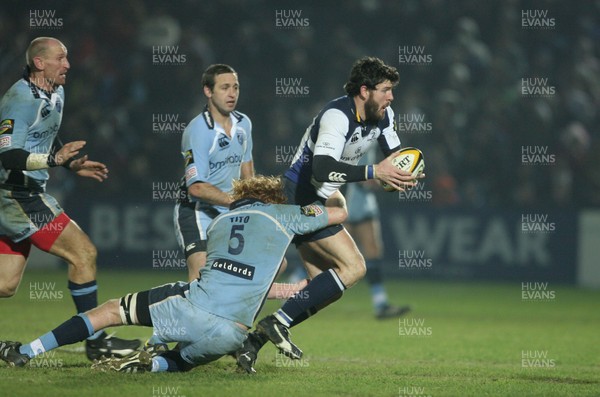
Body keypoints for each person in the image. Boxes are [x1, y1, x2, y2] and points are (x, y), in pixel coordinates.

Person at [0, 175, 346, 373]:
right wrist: (333, 184)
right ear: (270, 200)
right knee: (181, 361)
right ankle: (150, 368)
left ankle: (26, 351)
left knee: (108, 311)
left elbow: (225, 275)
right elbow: (339, 213)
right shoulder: (282, 214)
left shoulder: (219, 224)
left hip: (192, 311)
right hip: (232, 337)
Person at [235, 56, 424, 373]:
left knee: (322, 286)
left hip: (320, 196)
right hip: (300, 196)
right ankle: (274, 322)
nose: (391, 97)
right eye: (386, 90)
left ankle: (252, 344)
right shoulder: (337, 116)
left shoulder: (384, 115)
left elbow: (396, 156)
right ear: (365, 90)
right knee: (353, 267)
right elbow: (322, 168)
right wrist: (374, 170)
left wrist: (409, 172)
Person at [0, 37, 140, 360]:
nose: (68, 65)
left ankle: (96, 340)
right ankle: (97, 341)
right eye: (61, 58)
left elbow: (44, 134)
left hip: (23, 194)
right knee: (84, 253)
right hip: (17, 196)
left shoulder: (56, 92)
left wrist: (70, 162)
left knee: (5, 284)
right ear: (40, 63)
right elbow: (7, 154)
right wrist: (53, 161)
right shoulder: (19, 99)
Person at [174, 64, 255, 282]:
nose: (232, 94)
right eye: (225, 87)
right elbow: (196, 187)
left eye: (236, 87)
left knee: (264, 265)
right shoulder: (198, 130)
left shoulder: (243, 124)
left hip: (230, 209)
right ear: (208, 91)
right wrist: (236, 201)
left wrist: (254, 201)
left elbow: (247, 171)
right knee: (201, 278)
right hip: (197, 211)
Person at [344, 147, 411, 319]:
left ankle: (380, 304)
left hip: (364, 200)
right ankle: (294, 288)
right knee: (329, 253)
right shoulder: (355, 132)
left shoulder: (375, 132)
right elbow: (357, 175)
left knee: (373, 251)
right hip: (348, 198)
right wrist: (392, 180)